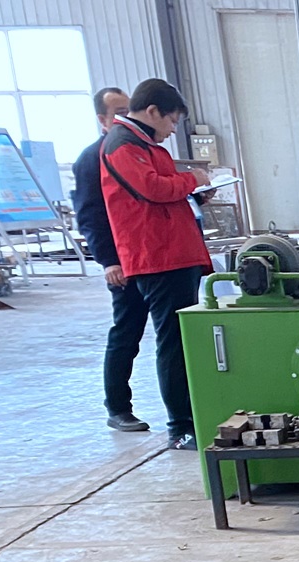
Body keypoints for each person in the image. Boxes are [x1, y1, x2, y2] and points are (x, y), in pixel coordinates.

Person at [99, 78, 212, 450]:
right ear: (152, 111)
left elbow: (162, 191)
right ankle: (181, 427)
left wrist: (194, 192)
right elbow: (153, 189)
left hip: (174, 254)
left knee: (180, 341)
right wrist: (191, 179)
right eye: (172, 120)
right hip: (158, 258)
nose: (173, 129)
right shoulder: (122, 144)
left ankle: (192, 418)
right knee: (172, 343)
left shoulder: (144, 145)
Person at [71, 87, 150, 434]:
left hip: (153, 258)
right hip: (125, 264)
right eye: (117, 112)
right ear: (101, 119)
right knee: (126, 334)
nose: (125, 117)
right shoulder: (93, 158)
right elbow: (90, 216)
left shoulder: (139, 151)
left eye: (128, 110)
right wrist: (109, 261)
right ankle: (118, 408)